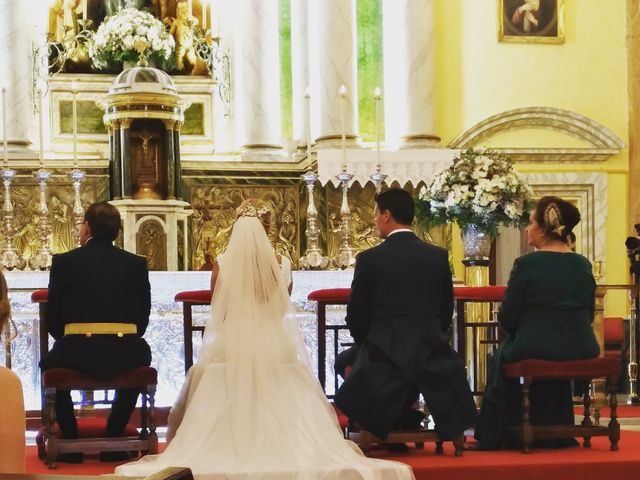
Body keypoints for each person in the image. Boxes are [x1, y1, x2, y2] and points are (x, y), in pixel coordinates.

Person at [116, 200, 413, 480]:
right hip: (275, 342)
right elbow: (282, 303)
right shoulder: (281, 264)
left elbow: (220, 306)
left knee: (209, 375)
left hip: (232, 344)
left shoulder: (222, 262)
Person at [334, 188, 477, 445]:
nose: (375, 220)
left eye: (376, 214)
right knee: (407, 364)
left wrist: (368, 341)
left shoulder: (369, 259)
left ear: (387, 215)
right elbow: (446, 311)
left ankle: (389, 421)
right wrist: (430, 337)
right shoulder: (437, 256)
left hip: (383, 351)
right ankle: (406, 417)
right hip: (431, 350)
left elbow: (356, 315)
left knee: (344, 360)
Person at [474, 196, 600, 449]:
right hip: (581, 346)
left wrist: (524, 333)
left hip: (534, 345)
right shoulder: (583, 264)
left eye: (530, 222)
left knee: (502, 354)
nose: (527, 228)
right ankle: (557, 427)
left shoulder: (527, 264)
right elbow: (588, 312)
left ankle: (502, 432)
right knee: (539, 350)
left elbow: (508, 317)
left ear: (543, 229)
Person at [39, 202, 151, 462]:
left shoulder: (64, 262)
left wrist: (69, 340)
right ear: (117, 231)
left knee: (48, 365)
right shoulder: (136, 264)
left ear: (86, 227)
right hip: (125, 351)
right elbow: (141, 317)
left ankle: (70, 439)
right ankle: (114, 436)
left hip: (76, 350)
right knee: (140, 356)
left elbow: (54, 317)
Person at [210, 199, 293, 295]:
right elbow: (285, 302)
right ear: (267, 229)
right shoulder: (284, 264)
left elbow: (217, 303)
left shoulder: (221, 264)